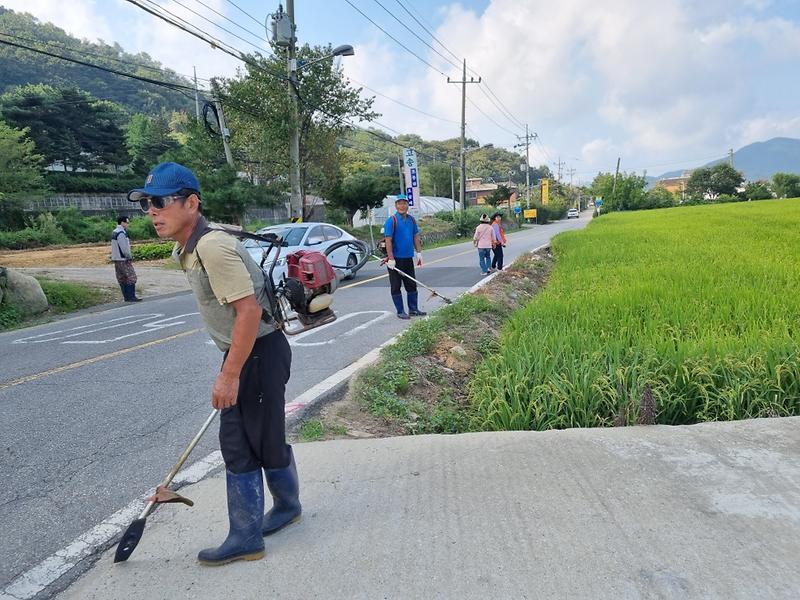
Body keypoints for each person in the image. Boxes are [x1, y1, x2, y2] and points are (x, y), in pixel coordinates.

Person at [128, 162, 300, 566]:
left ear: (191, 202)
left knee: (239, 443)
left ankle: (246, 536)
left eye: (159, 203)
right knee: (264, 436)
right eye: (146, 205)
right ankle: (287, 507)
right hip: (255, 352)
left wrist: (229, 374)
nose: (152, 212)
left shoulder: (211, 246)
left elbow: (248, 312)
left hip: (257, 351)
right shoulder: (188, 246)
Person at [384, 194, 426, 319]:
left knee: (411, 284)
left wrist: (419, 253)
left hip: (408, 258)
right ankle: (400, 311)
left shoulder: (411, 220)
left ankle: (413, 309)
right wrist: (391, 258)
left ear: (408, 205)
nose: (402, 206)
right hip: (395, 260)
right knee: (396, 285)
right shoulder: (392, 220)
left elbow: (415, 236)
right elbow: (388, 240)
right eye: (399, 203)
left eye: (404, 203)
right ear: (396, 206)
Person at [111, 215, 141, 302]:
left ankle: (126, 297)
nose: (128, 224)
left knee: (122, 278)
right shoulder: (121, 233)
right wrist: (129, 256)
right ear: (122, 222)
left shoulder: (115, 231)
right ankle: (131, 297)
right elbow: (124, 248)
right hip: (123, 259)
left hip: (117, 259)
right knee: (131, 277)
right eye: (127, 222)